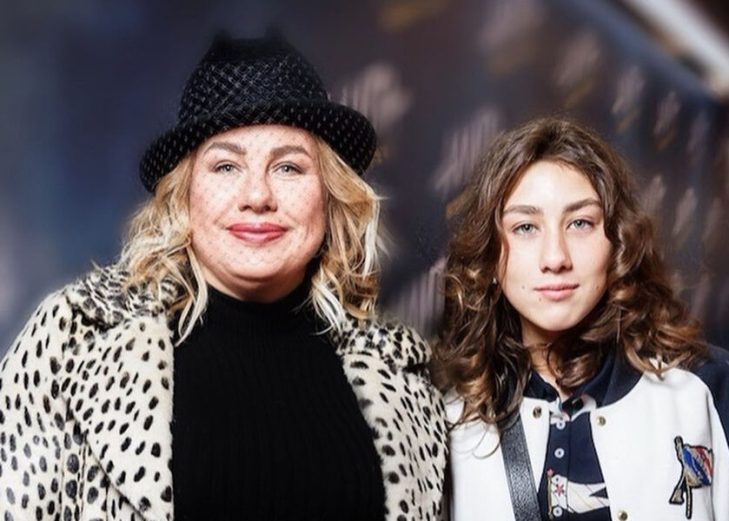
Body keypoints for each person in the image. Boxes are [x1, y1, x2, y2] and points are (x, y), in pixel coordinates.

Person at [0, 33, 446, 521]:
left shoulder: (402, 375)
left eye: (289, 167)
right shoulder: (74, 340)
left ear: (330, 194)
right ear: (184, 194)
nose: (257, 196)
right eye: (227, 166)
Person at [435, 117, 729, 521]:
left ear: (618, 243)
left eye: (580, 223)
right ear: (492, 255)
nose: (555, 257)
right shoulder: (449, 417)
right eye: (525, 227)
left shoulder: (707, 387)